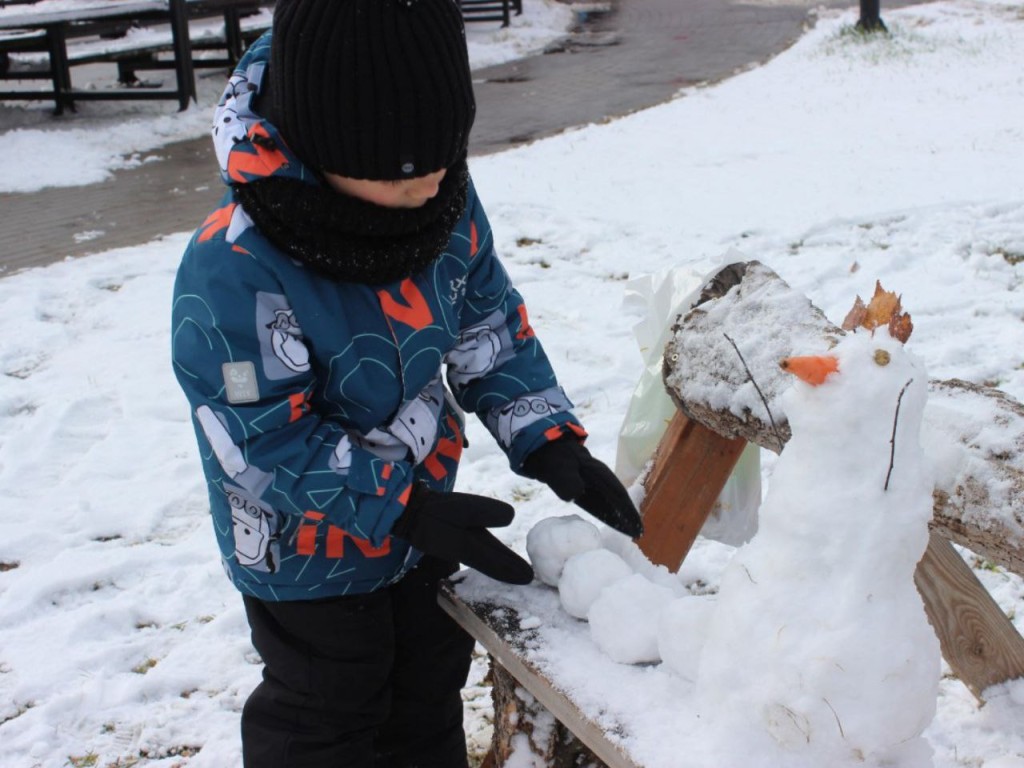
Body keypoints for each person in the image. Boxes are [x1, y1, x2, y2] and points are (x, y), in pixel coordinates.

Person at [170, 0, 643, 765]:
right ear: (327, 145)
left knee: (427, 686)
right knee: (329, 706)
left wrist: (546, 435)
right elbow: (261, 437)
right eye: (399, 172)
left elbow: (482, 317)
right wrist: (400, 504)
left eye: (440, 159)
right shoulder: (236, 266)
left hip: (424, 524)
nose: (427, 185)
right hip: (305, 551)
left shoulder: (438, 195)